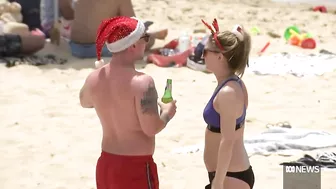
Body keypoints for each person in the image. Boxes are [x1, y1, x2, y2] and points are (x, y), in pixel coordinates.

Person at [79, 16, 177, 189]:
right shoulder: (143, 82)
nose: (147, 43)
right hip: (135, 167)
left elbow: (84, 102)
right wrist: (168, 113)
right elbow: (151, 128)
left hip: (106, 164)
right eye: (145, 38)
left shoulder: (95, 77)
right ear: (132, 45)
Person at [201, 19, 254, 189]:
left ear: (219, 56)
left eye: (206, 51)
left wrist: (218, 182)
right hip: (226, 174)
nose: (202, 55)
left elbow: (228, 140)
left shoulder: (228, 93)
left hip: (230, 176)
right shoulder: (232, 84)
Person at [41, 0, 167, 58]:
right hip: (99, 49)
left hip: (76, 47)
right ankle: (152, 36)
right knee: (145, 40)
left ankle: (151, 34)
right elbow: (133, 26)